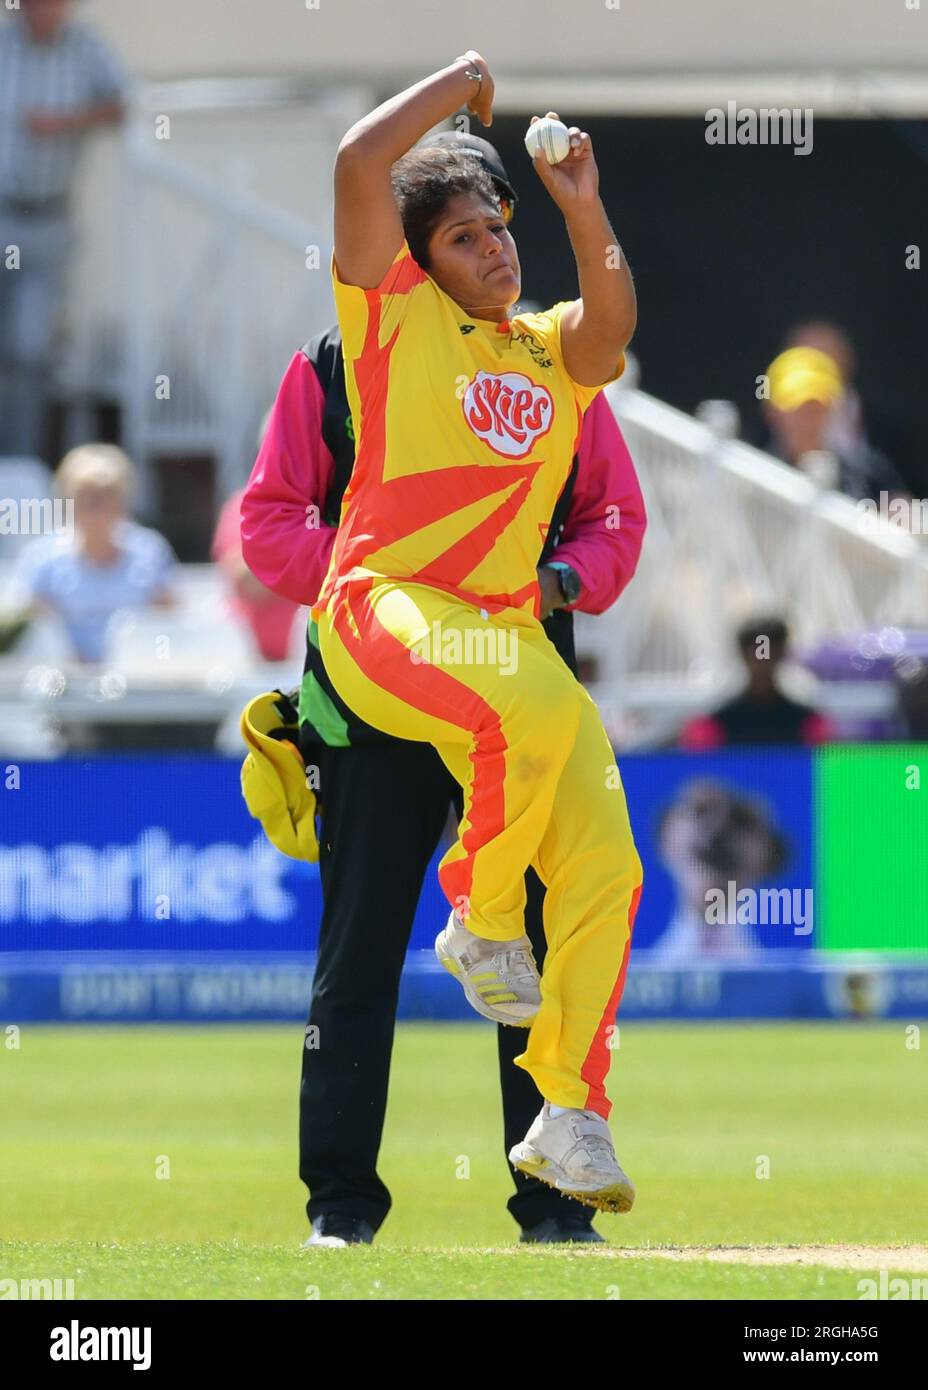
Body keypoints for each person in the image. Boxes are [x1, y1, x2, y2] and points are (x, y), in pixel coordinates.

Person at [243, 127, 647, 1243]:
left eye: (496, 221)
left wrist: (562, 577)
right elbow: (269, 522)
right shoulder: (346, 351)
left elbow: (614, 513)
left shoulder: (547, 356)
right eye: (460, 227)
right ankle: (341, 1202)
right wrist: (379, 595)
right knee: (360, 951)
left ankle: (553, 1190)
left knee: (571, 902)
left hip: (516, 654)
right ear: (414, 255)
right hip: (382, 677)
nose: (492, 243)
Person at [0, 0, 130, 459]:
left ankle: (18, 464)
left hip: (48, 221)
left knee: (30, 349)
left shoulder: (85, 48)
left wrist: (65, 121)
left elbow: (123, 104)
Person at [10, 443, 177, 665]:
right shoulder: (42, 558)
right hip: (62, 683)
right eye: (86, 496)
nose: (95, 506)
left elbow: (172, 619)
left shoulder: (150, 552)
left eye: (106, 495)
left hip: (137, 680)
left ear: (123, 502)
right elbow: (25, 625)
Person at [679, 616, 831, 748]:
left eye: (770, 650)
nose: (764, 660)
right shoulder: (715, 725)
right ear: (743, 654)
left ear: (782, 653)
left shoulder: (808, 723)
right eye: (759, 651)